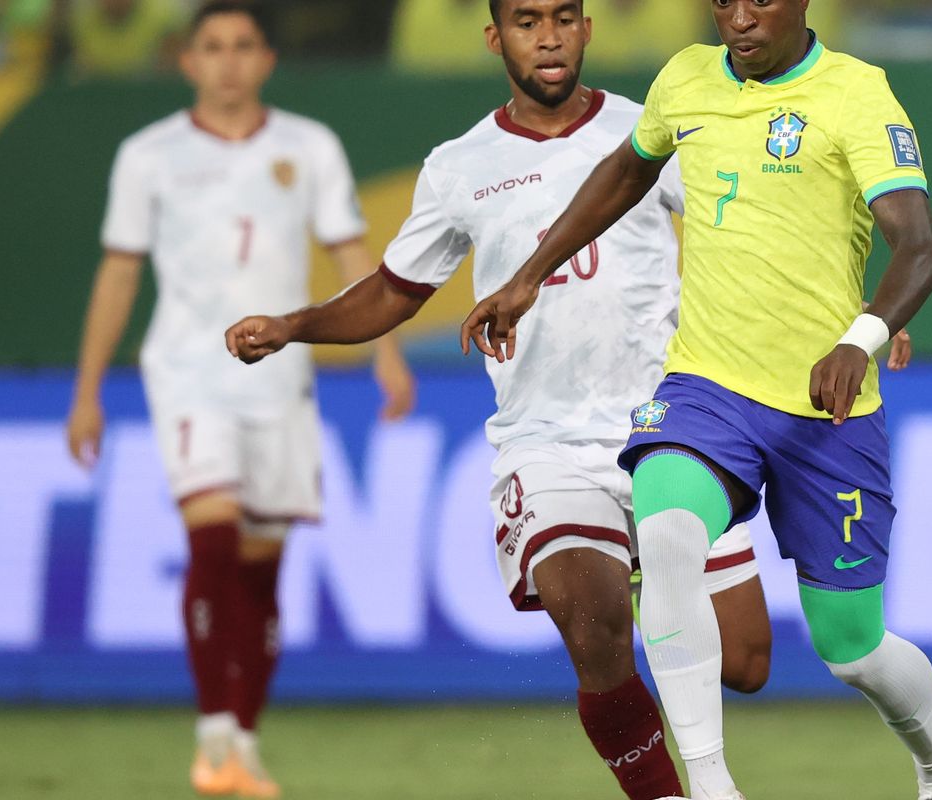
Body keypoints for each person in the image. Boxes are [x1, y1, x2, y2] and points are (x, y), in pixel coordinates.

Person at [222, 1, 890, 796]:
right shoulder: (460, 165)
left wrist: (856, 319)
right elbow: (394, 292)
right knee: (595, 624)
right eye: (527, 20)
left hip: (676, 426)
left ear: (587, 30)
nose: (548, 36)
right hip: (548, 444)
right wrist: (294, 325)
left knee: (746, 662)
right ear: (494, 38)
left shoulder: (654, 127)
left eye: (564, 18)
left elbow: (762, 230)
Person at [459, 1, 932, 798]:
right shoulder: (687, 80)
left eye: (758, 0)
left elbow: (920, 248)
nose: (738, 18)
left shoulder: (856, 93)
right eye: (723, 0)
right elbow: (626, 172)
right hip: (706, 386)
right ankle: (709, 786)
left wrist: (863, 336)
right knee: (666, 535)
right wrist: (529, 275)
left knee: (853, 650)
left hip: (826, 408)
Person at [65, 3, 415, 797]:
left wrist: (386, 353)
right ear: (188, 61)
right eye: (212, 47)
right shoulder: (148, 154)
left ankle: (244, 749)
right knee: (213, 540)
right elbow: (119, 272)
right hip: (187, 372)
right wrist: (87, 390)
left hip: (280, 378)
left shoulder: (309, 146)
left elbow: (351, 252)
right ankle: (213, 732)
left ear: (266, 60)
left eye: (243, 45)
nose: (228, 60)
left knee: (261, 572)